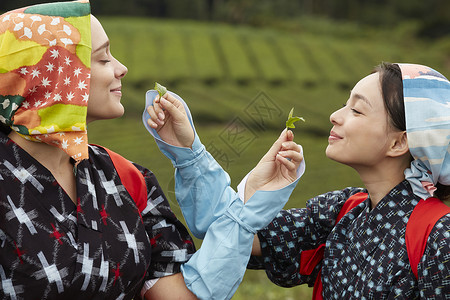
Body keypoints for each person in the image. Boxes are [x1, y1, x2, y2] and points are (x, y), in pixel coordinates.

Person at [0, 1, 304, 299]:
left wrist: (242, 202)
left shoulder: (127, 179)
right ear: (54, 75)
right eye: (104, 59)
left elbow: (179, 295)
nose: (122, 68)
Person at [146, 62, 450, 299]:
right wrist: (190, 152)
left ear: (399, 143)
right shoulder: (341, 212)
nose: (335, 115)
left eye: (356, 110)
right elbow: (234, 231)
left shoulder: (439, 236)